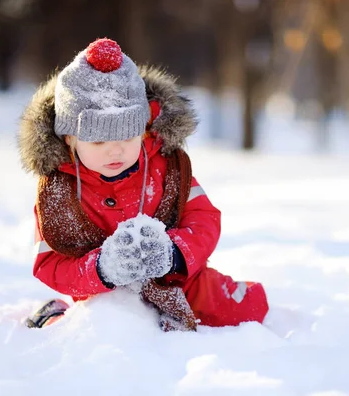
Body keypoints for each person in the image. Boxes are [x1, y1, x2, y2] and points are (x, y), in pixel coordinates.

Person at [18, 38, 269, 331]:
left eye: (127, 137)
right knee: (96, 327)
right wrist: (102, 269)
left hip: (177, 279)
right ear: (69, 139)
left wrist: (175, 253)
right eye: (98, 141)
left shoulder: (165, 165)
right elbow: (48, 263)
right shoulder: (60, 191)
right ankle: (55, 316)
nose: (116, 151)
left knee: (246, 309)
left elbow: (204, 219)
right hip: (100, 292)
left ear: (144, 127)